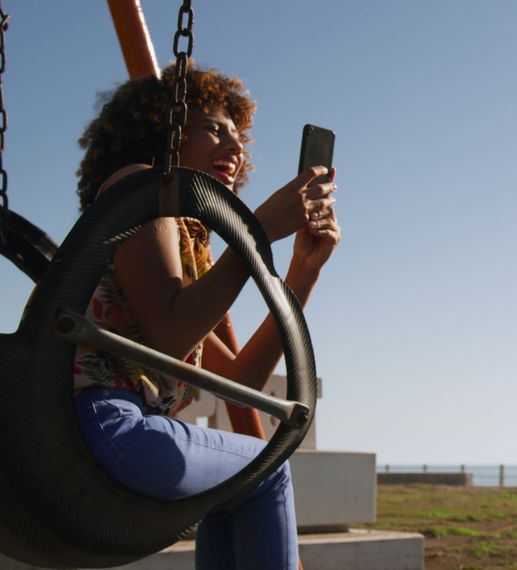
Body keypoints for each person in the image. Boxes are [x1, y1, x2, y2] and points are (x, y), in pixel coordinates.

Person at [72, 62, 339, 570]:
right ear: (164, 129)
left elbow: (242, 379)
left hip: (114, 432)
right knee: (265, 471)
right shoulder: (139, 190)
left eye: (238, 138)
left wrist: (303, 271)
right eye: (212, 128)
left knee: (233, 490)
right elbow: (170, 336)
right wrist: (254, 233)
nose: (234, 149)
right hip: (100, 424)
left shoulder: (186, 244)